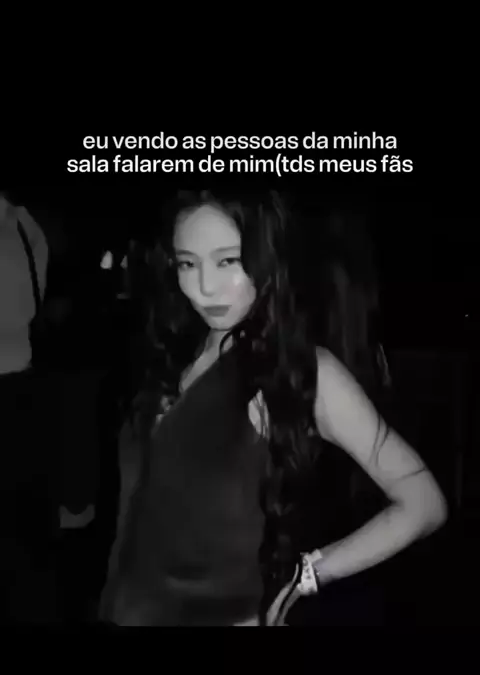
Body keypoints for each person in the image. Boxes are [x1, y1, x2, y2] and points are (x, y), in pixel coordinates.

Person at [99, 190, 447, 627]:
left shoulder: (303, 371)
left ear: (267, 260)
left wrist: (312, 572)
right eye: (188, 263)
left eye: (229, 261)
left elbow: (423, 502)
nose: (205, 286)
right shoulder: (175, 353)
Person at [0, 190, 60, 622]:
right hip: (22, 382)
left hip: (17, 386)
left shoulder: (23, 225)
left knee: (19, 523)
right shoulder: (26, 224)